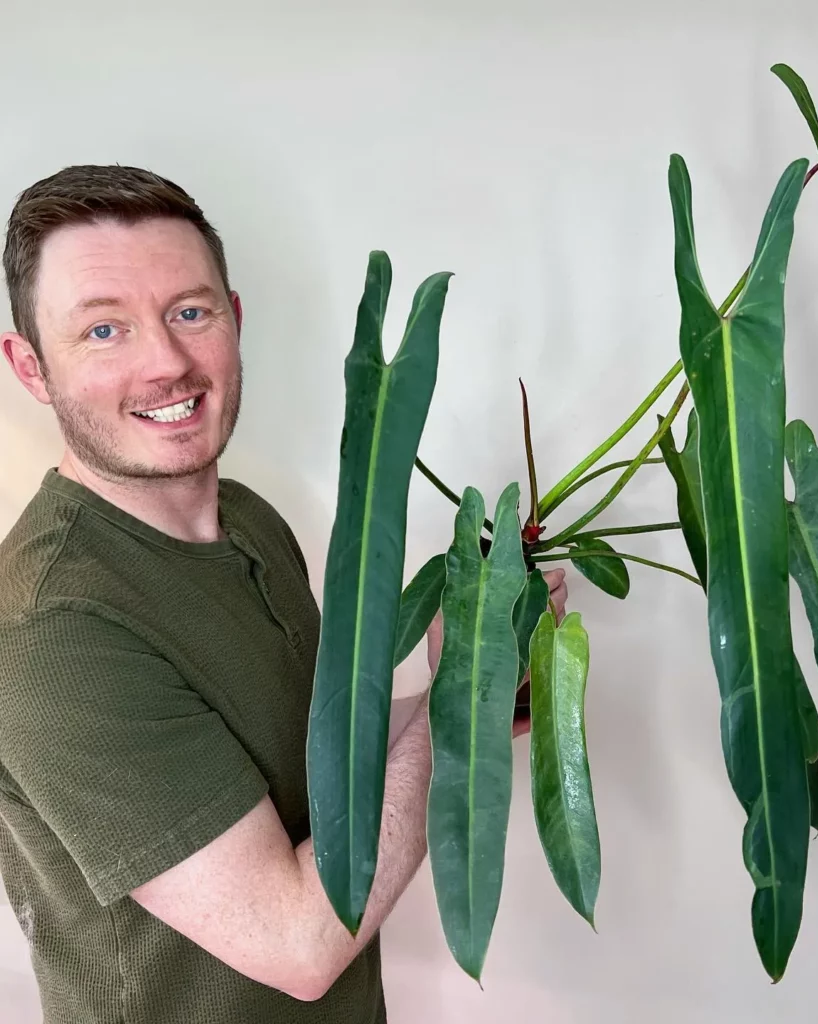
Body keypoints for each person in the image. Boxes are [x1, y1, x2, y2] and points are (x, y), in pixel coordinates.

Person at [0, 165, 567, 1023]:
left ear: (235, 318)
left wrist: (483, 672)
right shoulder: (51, 632)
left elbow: (319, 770)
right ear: (31, 367)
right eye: (104, 330)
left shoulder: (250, 523)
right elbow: (301, 941)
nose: (166, 361)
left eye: (190, 312)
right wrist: (464, 706)